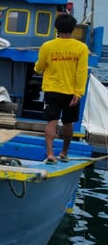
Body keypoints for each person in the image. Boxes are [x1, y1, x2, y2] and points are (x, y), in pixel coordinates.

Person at [34, 12, 89, 163]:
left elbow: (39, 67)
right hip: (71, 92)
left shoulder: (47, 46)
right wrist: (79, 93)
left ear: (56, 28)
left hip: (52, 90)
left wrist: (37, 67)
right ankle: (64, 152)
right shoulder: (81, 48)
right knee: (68, 123)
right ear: (73, 29)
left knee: (51, 121)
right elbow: (81, 72)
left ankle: (50, 154)